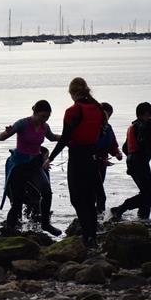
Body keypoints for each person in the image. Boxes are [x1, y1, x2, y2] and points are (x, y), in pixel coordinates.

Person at [46, 78, 107, 248]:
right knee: (89, 199)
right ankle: (92, 238)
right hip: (92, 157)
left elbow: (66, 138)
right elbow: (100, 135)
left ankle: (88, 237)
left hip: (78, 158)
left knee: (77, 199)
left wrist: (50, 158)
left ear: (72, 93)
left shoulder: (73, 110)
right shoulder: (98, 109)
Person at [0, 100, 62, 236]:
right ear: (35, 112)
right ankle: (9, 229)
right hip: (19, 165)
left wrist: (67, 138)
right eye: (42, 116)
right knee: (17, 200)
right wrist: (6, 132)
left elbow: (52, 137)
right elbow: (1, 138)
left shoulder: (45, 126)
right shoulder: (23, 123)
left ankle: (46, 224)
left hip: (35, 164)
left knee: (46, 191)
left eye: (47, 117)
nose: (44, 119)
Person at [94, 102, 123, 215]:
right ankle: (95, 216)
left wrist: (117, 153)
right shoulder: (92, 127)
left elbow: (113, 144)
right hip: (92, 163)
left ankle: (97, 216)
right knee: (97, 193)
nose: (107, 118)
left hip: (103, 163)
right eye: (106, 115)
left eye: (109, 116)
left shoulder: (108, 128)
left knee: (99, 189)